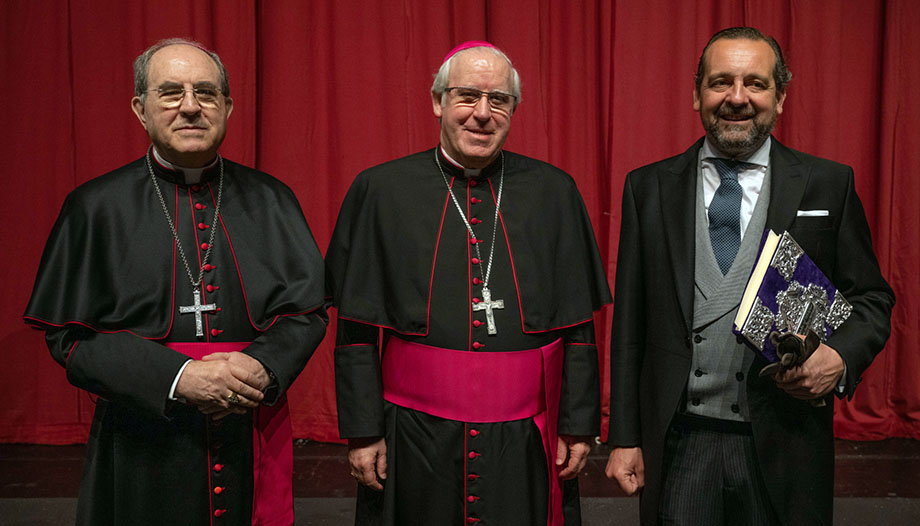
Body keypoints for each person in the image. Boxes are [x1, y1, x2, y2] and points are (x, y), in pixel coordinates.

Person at [24, 38, 327, 525]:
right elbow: (70, 339)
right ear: (140, 109)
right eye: (170, 93)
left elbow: (306, 312)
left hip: (249, 425)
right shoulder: (95, 207)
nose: (191, 106)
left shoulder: (272, 199)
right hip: (140, 439)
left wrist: (261, 367)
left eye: (206, 93)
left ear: (227, 107)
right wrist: (179, 377)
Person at [605, 27, 895, 526]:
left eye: (755, 84)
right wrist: (625, 437)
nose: (737, 98)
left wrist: (840, 358)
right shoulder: (648, 188)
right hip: (680, 443)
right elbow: (629, 328)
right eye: (721, 82)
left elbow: (871, 298)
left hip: (785, 440)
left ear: (780, 97)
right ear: (697, 92)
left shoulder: (828, 183)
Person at [326, 41, 611, 526]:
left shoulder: (554, 192)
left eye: (498, 100)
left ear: (514, 109)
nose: (482, 113)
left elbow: (577, 326)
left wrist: (578, 426)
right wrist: (363, 432)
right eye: (466, 96)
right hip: (412, 434)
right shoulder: (380, 189)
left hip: (525, 436)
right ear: (438, 101)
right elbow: (356, 327)